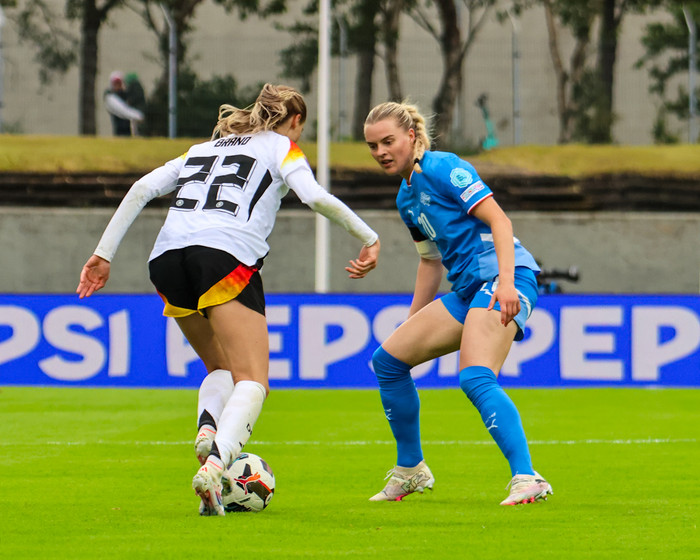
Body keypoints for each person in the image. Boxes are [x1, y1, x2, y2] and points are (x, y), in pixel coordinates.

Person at [77, 83, 381, 516]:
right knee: (253, 381)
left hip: (166, 258)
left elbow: (142, 188)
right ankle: (216, 465)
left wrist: (103, 254)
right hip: (224, 256)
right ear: (296, 121)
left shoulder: (201, 149)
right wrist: (368, 237)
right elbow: (313, 196)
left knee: (220, 367)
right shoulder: (282, 147)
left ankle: (208, 431)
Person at [363, 101, 552, 506]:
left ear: (411, 136)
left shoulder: (444, 167)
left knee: (475, 377)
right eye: (373, 146)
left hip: (505, 279)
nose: (380, 152)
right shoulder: (406, 198)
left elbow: (500, 220)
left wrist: (506, 285)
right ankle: (411, 470)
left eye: (388, 142)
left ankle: (527, 477)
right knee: (388, 362)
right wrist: (412, 322)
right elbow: (430, 262)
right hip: (468, 290)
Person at [104, 71, 144, 136]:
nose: (117, 85)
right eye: (115, 83)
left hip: (130, 131)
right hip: (119, 131)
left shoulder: (126, 95)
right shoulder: (110, 97)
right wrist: (138, 116)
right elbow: (122, 110)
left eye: (119, 83)